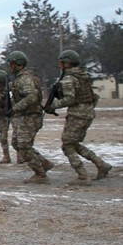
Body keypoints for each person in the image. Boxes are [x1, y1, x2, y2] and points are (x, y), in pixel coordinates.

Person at [45, 50, 113, 185]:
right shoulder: (83, 76)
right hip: (87, 113)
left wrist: (53, 106)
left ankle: (82, 176)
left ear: (66, 63)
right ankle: (101, 164)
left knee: (67, 146)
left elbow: (70, 99)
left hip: (77, 115)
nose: (59, 65)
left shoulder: (69, 78)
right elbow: (94, 97)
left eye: (61, 62)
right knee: (74, 144)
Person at [6, 50, 54, 183]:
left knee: (23, 145)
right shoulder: (20, 79)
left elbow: (32, 97)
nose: (10, 67)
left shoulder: (26, 79)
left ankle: (40, 174)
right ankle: (43, 163)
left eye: (12, 64)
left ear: (19, 64)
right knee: (17, 143)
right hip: (25, 115)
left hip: (31, 115)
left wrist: (15, 107)